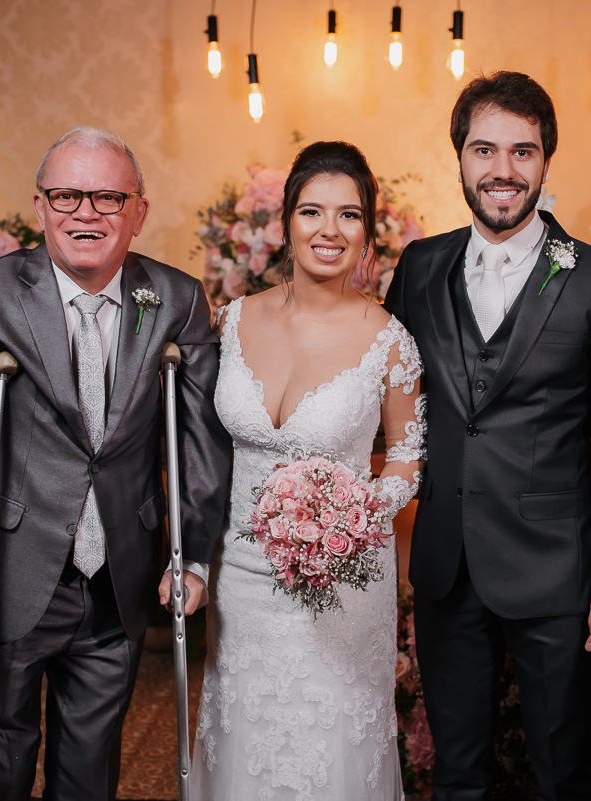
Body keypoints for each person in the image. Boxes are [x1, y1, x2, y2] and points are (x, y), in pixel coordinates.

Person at [0, 127, 232, 801]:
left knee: (90, 773)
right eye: (68, 195)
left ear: (139, 210)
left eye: (108, 196)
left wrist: (191, 557)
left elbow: (200, 440)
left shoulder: (177, 297)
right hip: (4, 576)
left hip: (119, 581)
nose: (87, 213)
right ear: (41, 206)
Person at [383, 71, 591, 800]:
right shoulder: (419, 266)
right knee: (457, 771)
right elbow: (382, 394)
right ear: (460, 157)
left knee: (563, 772)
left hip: (554, 570)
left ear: (545, 160)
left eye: (523, 152)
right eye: (484, 150)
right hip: (445, 564)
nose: (502, 171)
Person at [190, 140, 425, 800]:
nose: (330, 230)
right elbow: (201, 449)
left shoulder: (389, 339)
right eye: (312, 211)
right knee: (244, 745)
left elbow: (407, 456)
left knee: (330, 756)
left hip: (340, 584)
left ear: (367, 231)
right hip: (240, 584)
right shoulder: (229, 321)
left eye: (349, 215)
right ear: (285, 222)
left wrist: (355, 514)